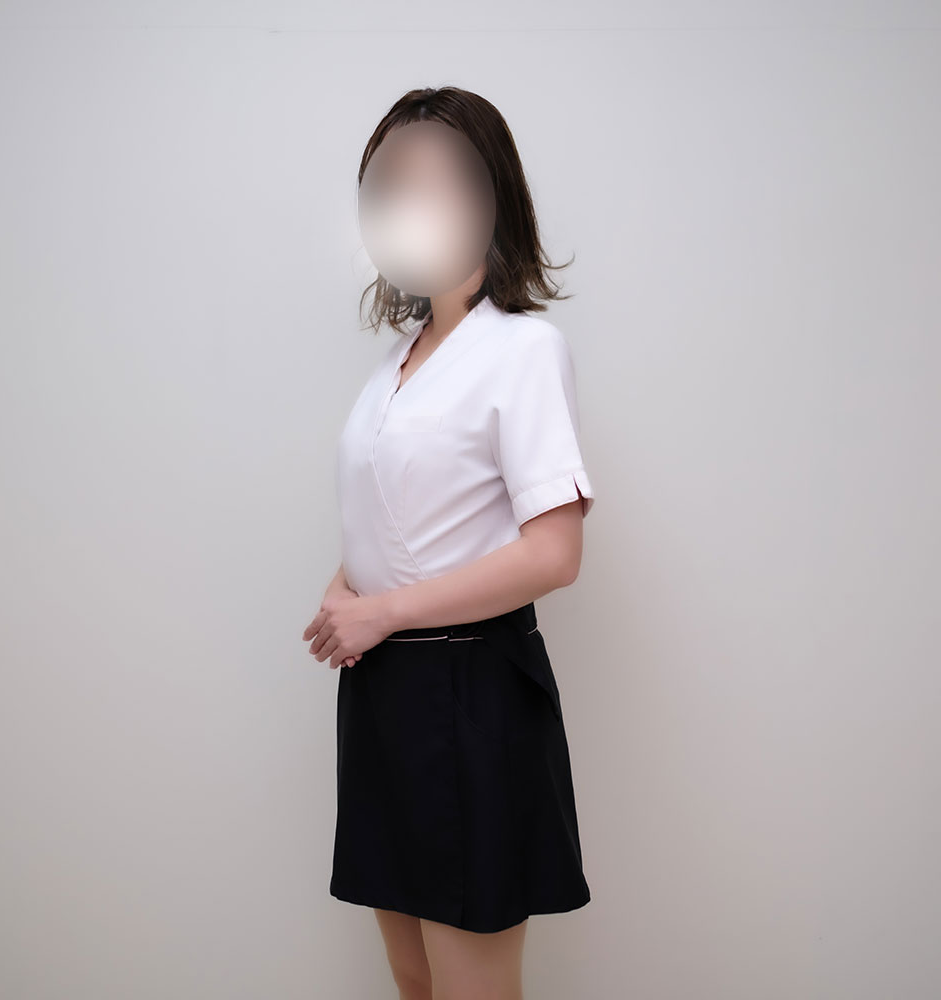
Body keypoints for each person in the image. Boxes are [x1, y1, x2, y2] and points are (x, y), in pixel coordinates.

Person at [301, 86, 594, 1000]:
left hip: (469, 694)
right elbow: (404, 513)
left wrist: (383, 610)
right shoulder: (394, 364)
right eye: (392, 184)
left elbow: (554, 554)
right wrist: (345, 588)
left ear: (489, 196)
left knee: (471, 987)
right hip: (383, 693)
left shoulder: (522, 350)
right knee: (413, 978)